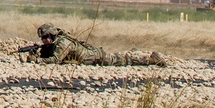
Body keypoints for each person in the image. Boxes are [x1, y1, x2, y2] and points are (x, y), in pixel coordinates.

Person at [21, 23, 166, 67]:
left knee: (121, 60)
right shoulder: (55, 42)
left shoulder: (63, 43)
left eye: (46, 37)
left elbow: (55, 60)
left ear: (52, 35)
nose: (44, 40)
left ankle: (151, 60)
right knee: (120, 58)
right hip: (89, 56)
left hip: (94, 57)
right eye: (42, 38)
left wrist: (36, 60)